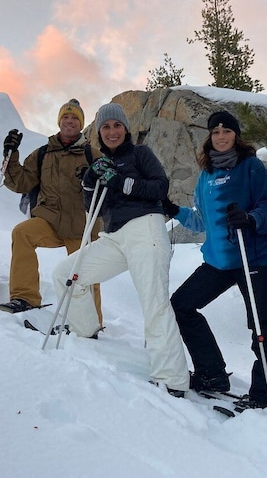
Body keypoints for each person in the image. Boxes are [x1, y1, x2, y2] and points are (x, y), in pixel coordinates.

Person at [50, 102, 190, 396]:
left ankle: (172, 379)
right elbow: (94, 210)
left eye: (117, 126)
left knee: (154, 302)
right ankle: (84, 330)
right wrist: (90, 183)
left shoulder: (141, 154)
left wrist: (121, 182)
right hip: (114, 236)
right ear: (99, 133)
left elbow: (159, 187)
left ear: (126, 129)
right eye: (105, 127)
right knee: (67, 274)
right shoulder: (101, 164)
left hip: (146, 229)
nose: (112, 131)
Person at [166, 110, 267, 410]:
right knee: (182, 304)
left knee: (261, 324)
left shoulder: (251, 167)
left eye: (226, 132)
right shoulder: (206, 177)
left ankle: (265, 394)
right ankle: (211, 374)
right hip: (218, 261)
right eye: (216, 132)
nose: (221, 137)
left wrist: (250, 218)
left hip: (253, 258)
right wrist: (173, 210)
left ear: (236, 135)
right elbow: (200, 222)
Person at [0, 99, 102, 325]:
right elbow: (21, 183)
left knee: (84, 273)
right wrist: (11, 154)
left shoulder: (91, 154)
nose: (70, 121)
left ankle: (91, 322)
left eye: (75, 117)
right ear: (59, 121)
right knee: (22, 233)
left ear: (81, 124)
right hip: (50, 221)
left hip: (81, 227)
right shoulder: (43, 154)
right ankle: (25, 297)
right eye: (66, 116)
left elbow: (107, 187)